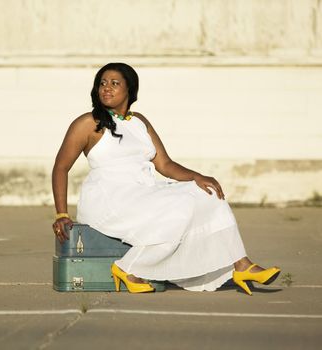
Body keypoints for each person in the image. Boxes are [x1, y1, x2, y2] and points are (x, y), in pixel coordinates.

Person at [51, 62, 280, 295]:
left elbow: (165, 164)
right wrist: (61, 213)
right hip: (109, 199)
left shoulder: (139, 122)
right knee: (179, 210)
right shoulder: (88, 123)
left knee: (208, 193)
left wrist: (197, 177)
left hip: (143, 192)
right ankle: (129, 267)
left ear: (130, 90)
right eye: (102, 83)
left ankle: (241, 264)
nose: (106, 88)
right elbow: (61, 167)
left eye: (114, 83)